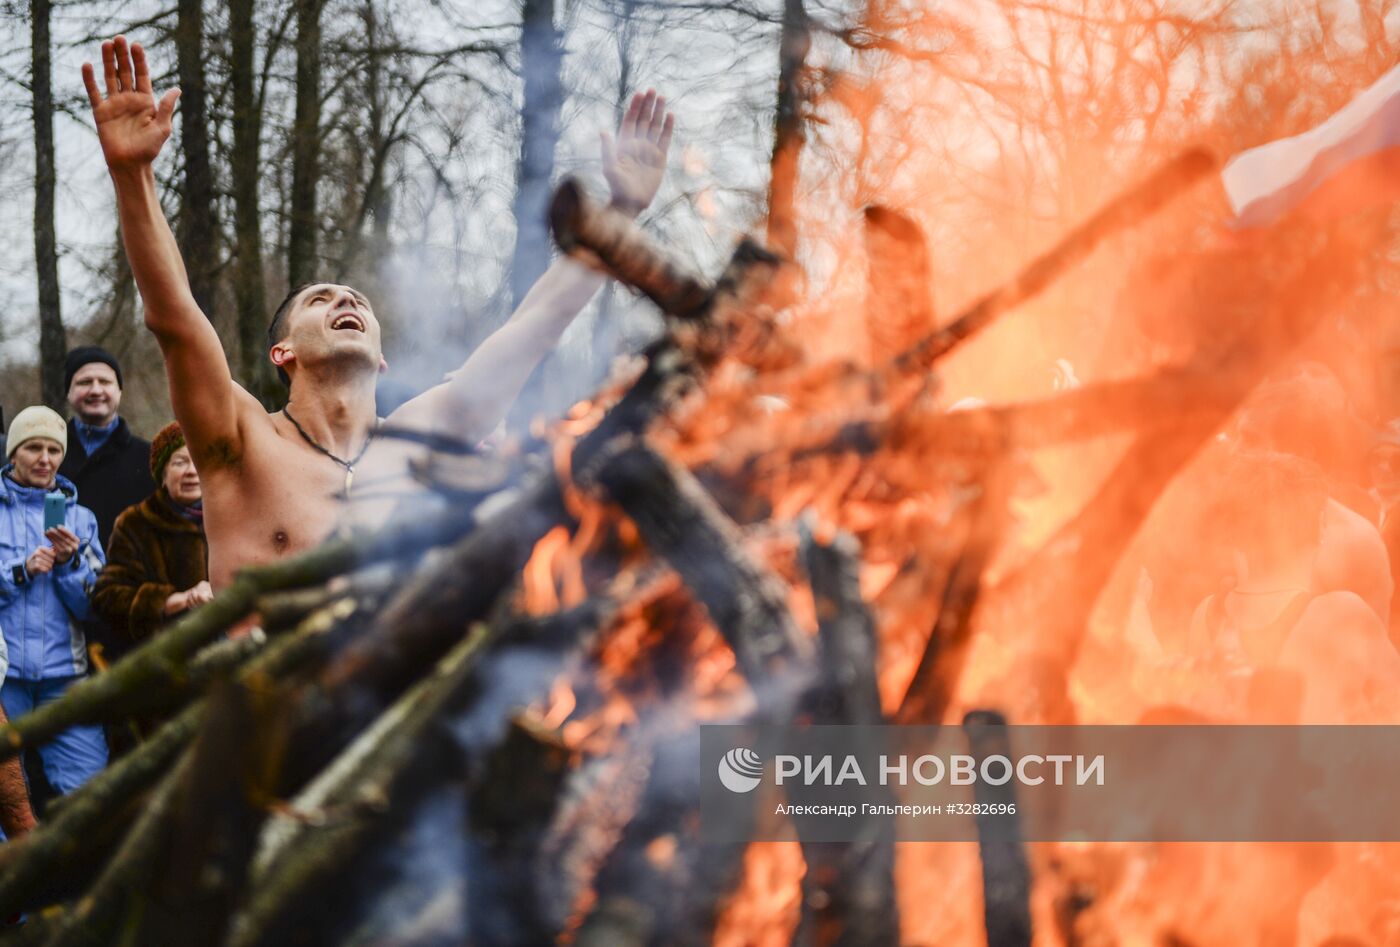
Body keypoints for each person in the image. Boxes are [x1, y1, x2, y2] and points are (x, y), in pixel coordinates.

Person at [85, 36, 675, 587]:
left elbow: (532, 329)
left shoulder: (415, 443)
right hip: (266, 692)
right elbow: (175, 319)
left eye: (358, 302)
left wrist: (618, 217)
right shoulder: (240, 441)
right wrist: (133, 176)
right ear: (281, 352)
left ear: (383, 359)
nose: (345, 300)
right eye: (321, 300)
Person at [0, 407, 108, 795]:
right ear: (13, 454)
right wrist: (18, 570)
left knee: (89, 793)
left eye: (53, 449)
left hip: (65, 678)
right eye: (33, 448)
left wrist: (70, 563)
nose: (45, 459)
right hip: (2, 678)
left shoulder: (82, 520)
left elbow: (96, 605)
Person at [93, 422, 211, 646]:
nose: (192, 471)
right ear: (163, 475)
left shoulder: (234, 518)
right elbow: (108, 597)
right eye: (180, 462)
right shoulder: (136, 525)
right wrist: (175, 600)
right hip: (162, 658)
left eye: (198, 459)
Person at [57, 346, 156, 550]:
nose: (95, 390)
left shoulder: (149, 458)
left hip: (129, 578)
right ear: (68, 392)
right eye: (84, 382)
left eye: (104, 381)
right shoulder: (47, 456)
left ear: (119, 390)